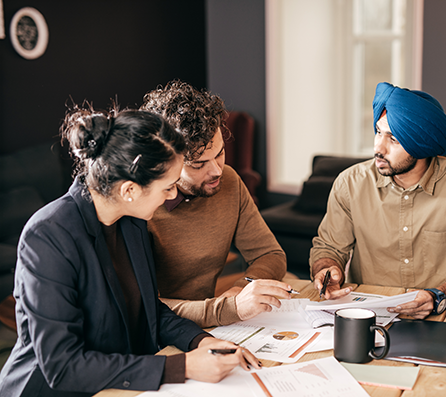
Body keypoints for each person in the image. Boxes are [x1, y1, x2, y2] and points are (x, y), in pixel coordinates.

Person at [0, 105, 260, 396]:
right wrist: (181, 367)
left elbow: (149, 310)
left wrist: (200, 341)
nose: (174, 195)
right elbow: (63, 366)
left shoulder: (132, 222)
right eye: (168, 187)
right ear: (129, 190)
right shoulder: (47, 237)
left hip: (120, 384)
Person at [311, 82, 446, 319]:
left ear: (421, 146)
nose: (378, 148)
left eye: (394, 139)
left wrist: (437, 296)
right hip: (365, 316)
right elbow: (329, 247)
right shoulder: (350, 183)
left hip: (437, 317)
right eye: (378, 132)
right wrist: (328, 269)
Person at [141, 80, 290, 328]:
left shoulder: (229, 181)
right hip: (160, 334)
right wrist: (226, 309)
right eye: (199, 164)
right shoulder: (143, 206)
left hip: (211, 323)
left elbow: (271, 255)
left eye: (220, 153)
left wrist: (242, 289)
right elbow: (143, 308)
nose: (216, 171)